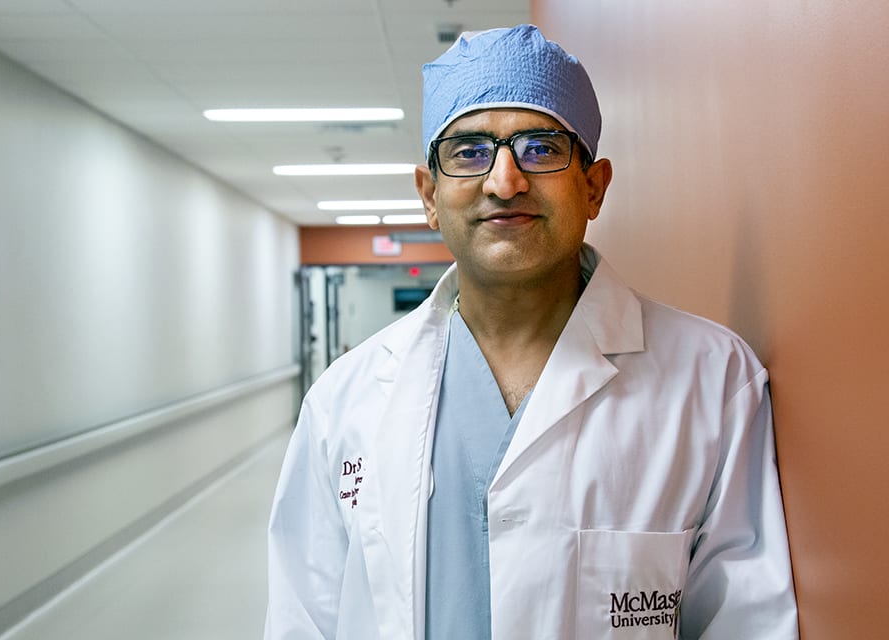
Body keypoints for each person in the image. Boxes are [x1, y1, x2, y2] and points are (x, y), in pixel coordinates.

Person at [264, 24, 799, 640]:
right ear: (429, 195)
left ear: (593, 186)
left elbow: (747, 623)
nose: (504, 181)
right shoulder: (344, 400)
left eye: (541, 148)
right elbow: (304, 618)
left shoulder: (712, 379)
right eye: (469, 152)